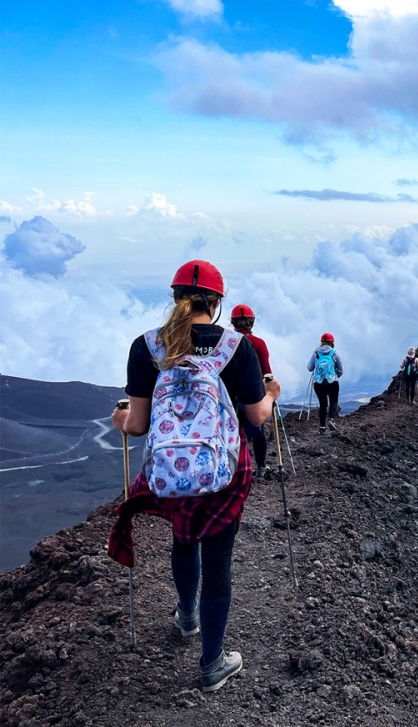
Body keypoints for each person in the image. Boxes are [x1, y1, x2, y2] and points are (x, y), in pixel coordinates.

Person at [108, 259, 281, 693]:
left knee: (183, 542)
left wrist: (119, 418)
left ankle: (186, 617)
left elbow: (139, 424)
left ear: (174, 297)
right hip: (224, 469)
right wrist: (273, 395)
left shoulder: (146, 346)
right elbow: (256, 415)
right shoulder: (236, 347)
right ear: (217, 303)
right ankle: (213, 663)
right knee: (218, 557)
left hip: (171, 471)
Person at [230, 304, 272, 479]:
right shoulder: (258, 343)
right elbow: (267, 372)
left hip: (229, 396)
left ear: (233, 322)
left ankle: (235, 470)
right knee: (258, 430)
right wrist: (271, 394)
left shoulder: (225, 341)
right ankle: (261, 468)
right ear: (251, 322)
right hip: (253, 395)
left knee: (232, 433)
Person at [307, 333, 343, 432]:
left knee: (323, 404)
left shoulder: (316, 353)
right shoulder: (335, 353)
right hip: (333, 382)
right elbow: (340, 370)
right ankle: (331, 420)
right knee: (333, 402)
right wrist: (335, 376)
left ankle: (322, 427)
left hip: (318, 383)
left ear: (321, 342)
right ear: (332, 342)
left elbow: (310, 368)